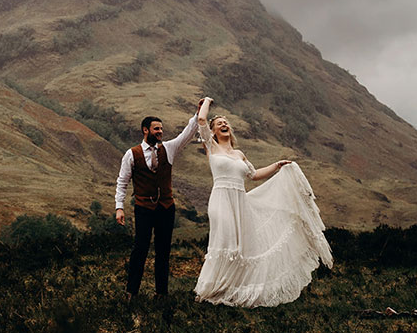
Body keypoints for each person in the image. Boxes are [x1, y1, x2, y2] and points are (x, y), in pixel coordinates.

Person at [193, 97, 333, 307]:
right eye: (219, 123)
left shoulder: (239, 154)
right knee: (225, 241)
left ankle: (233, 288)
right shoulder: (211, 147)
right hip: (221, 199)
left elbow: (254, 175)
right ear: (213, 132)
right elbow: (201, 120)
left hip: (240, 201)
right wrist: (207, 102)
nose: (224, 124)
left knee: (241, 246)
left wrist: (277, 165)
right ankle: (212, 288)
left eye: (226, 122)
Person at [114, 102, 203, 297]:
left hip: (166, 207)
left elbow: (186, 134)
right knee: (140, 249)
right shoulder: (132, 154)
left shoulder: (169, 149)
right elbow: (122, 182)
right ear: (145, 130)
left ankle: (161, 294)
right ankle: (131, 293)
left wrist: (198, 114)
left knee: (163, 252)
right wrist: (119, 207)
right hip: (144, 208)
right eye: (156, 129)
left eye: (161, 129)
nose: (160, 132)